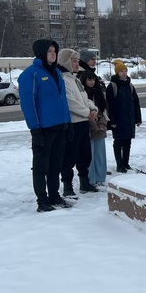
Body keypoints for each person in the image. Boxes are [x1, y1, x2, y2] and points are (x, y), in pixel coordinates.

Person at [17, 39, 72, 213]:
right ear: (41, 52)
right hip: (43, 129)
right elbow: (28, 105)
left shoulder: (57, 72)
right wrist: (35, 129)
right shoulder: (30, 75)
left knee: (56, 164)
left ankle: (54, 195)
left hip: (60, 126)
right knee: (41, 167)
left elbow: (64, 101)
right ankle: (42, 200)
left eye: (55, 51)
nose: (53, 54)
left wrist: (68, 123)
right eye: (49, 51)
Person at [58, 49, 99, 196]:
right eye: (74, 61)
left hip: (83, 123)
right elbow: (70, 102)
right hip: (72, 123)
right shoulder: (62, 79)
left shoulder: (75, 79)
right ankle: (68, 186)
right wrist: (87, 113)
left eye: (77, 61)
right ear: (65, 61)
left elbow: (84, 98)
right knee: (69, 157)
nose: (76, 64)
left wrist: (92, 108)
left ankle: (84, 181)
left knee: (84, 155)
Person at [106, 59, 142, 173]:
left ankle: (126, 163)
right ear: (117, 72)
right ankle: (119, 164)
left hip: (129, 118)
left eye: (125, 71)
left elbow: (136, 102)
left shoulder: (130, 85)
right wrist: (112, 120)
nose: (124, 73)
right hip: (118, 119)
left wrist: (138, 118)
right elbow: (110, 105)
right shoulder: (113, 86)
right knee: (118, 141)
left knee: (127, 142)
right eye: (121, 71)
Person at [81, 71, 108, 186]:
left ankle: (100, 177)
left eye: (93, 79)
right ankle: (90, 179)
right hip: (88, 128)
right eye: (89, 79)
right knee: (89, 155)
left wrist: (102, 124)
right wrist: (93, 125)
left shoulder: (99, 93)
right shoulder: (82, 94)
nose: (92, 82)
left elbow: (104, 111)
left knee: (100, 155)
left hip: (100, 127)